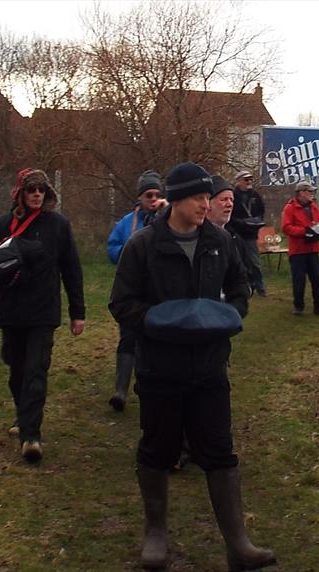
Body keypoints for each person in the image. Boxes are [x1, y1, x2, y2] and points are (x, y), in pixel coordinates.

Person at [109, 162, 275, 571]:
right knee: (157, 450)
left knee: (220, 453)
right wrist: (160, 322)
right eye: (200, 198)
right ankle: (156, 536)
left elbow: (239, 288)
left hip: (209, 369)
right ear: (178, 200)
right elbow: (121, 304)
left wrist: (228, 317)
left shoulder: (220, 241)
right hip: (159, 370)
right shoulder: (143, 246)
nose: (207, 204)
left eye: (208, 198)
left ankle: (238, 545)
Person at [0, 168, 85, 463]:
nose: (37, 194)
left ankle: (31, 437)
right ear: (20, 194)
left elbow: (72, 270)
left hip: (43, 312)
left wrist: (78, 312)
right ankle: (23, 415)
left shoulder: (58, 226)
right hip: (11, 310)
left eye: (41, 189)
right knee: (16, 369)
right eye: (31, 189)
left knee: (36, 371)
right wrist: (4, 269)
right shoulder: (2, 225)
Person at [107, 170, 167, 412]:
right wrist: (125, 254)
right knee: (128, 336)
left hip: (160, 290)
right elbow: (112, 246)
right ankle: (120, 389)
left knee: (155, 339)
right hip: (132, 288)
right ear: (139, 197)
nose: (153, 199)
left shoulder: (168, 218)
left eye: (156, 194)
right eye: (148, 195)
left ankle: (147, 385)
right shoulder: (126, 223)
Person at [281, 180, 319, 316]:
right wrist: (304, 232)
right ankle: (298, 306)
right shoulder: (290, 208)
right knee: (299, 279)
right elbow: (286, 227)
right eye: (310, 191)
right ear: (301, 193)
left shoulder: (313, 206)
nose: (312, 194)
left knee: (317, 279)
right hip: (298, 250)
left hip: (313, 248)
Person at [228, 170, 267, 296]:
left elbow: (261, 211)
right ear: (238, 181)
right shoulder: (232, 196)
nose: (249, 182)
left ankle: (260, 286)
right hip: (237, 234)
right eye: (246, 180)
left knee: (254, 262)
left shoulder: (255, 195)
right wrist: (241, 223)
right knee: (239, 261)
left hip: (251, 234)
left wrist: (257, 221)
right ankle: (244, 286)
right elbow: (229, 216)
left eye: (250, 179)